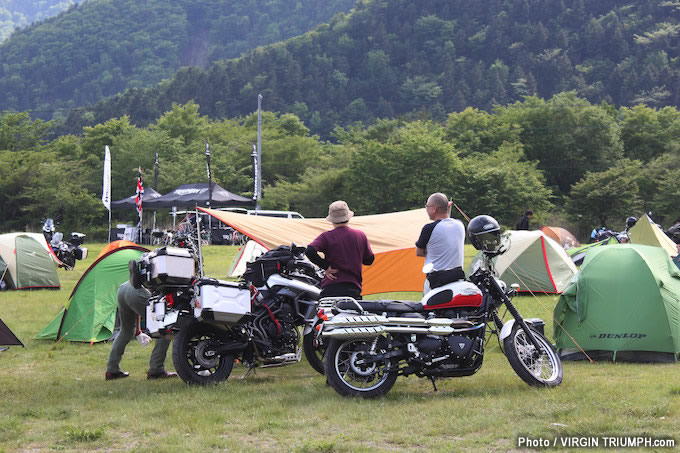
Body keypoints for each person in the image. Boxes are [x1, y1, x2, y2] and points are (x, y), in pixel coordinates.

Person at [105, 276, 177, 380]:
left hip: (124, 288)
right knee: (165, 328)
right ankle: (156, 369)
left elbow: (137, 308)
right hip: (138, 292)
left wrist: (138, 331)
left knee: (125, 331)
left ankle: (112, 370)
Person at [305, 200, 374, 300]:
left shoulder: (326, 236)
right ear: (348, 217)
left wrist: (326, 267)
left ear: (332, 219)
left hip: (330, 287)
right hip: (352, 288)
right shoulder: (360, 235)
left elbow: (309, 251)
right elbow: (369, 260)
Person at [416, 193, 466, 292]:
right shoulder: (460, 225)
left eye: (427, 206)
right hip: (457, 278)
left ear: (434, 208)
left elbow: (419, 252)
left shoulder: (429, 228)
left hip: (437, 280)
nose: (426, 209)